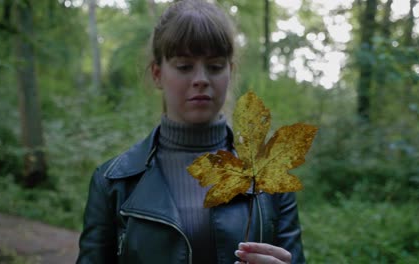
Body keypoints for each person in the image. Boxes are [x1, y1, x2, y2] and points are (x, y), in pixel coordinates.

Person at [77, 0, 305, 263]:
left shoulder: (270, 181)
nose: (201, 79)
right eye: (184, 66)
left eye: (215, 66)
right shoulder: (113, 182)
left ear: (230, 72)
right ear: (157, 73)